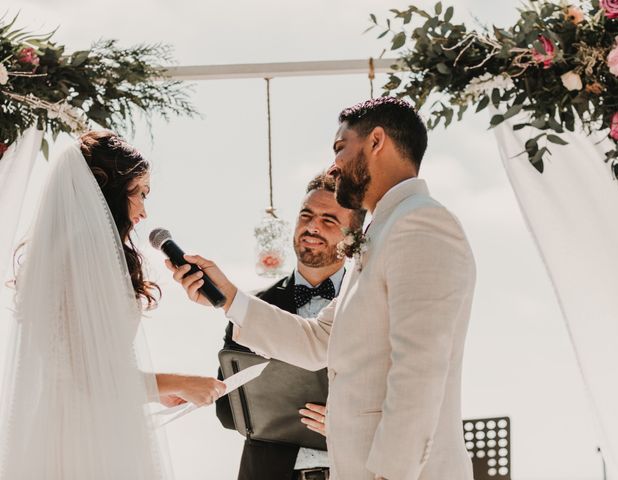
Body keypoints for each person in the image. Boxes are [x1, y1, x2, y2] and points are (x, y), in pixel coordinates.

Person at [168, 97, 476, 480]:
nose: (335, 165)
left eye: (340, 148)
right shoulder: (384, 230)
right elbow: (320, 339)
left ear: (376, 141)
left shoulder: (420, 224)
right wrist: (228, 297)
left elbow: (420, 369)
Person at [0, 131, 225, 480]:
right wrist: (179, 382)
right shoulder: (83, 255)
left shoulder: (63, 252)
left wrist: (155, 392)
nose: (144, 212)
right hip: (83, 440)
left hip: (65, 425)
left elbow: (82, 370)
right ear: (111, 192)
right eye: (141, 194)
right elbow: (87, 378)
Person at [215, 173, 365, 480]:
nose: (312, 227)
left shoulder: (370, 303)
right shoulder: (251, 308)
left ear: (354, 235)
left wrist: (351, 420)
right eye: (306, 215)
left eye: (328, 220)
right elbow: (227, 410)